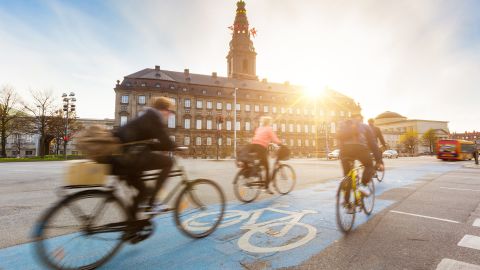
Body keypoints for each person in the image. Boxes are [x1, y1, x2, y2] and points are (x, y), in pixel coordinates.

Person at [111, 97, 176, 219]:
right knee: (168, 162)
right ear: (164, 110)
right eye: (170, 111)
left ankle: (131, 227)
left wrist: (166, 147)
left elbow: (149, 144)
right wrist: (176, 147)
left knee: (143, 191)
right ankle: (153, 203)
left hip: (123, 159)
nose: (170, 115)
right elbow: (165, 141)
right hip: (129, 159)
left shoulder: (147, 116)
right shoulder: (154, 117)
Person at [337, 113, 384, 197]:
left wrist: (342, 153)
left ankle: (347, 202)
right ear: (361, 119)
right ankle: (363, 185)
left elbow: (339, 138)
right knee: (369, 165)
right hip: (360, 148)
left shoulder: (344, 125)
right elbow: (373, 144)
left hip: (344, 150)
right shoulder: (365, 126)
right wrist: (378, 160)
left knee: (347, 175)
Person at [250, 116, 282, 194]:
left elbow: (259, 138)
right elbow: (274, 139)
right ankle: (266, 187)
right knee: (267, 168)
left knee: (261, 163)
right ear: (269, 122)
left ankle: (255, 173)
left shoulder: (259, 128)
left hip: (253, 146)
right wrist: (280, 143)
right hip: (261, 148)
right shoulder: (268, 129)